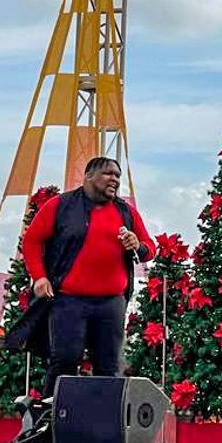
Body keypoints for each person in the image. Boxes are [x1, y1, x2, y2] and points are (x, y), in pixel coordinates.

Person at [20, 157, 156, 397]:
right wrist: (39, 277)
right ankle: (51, 415)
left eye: (117, 175)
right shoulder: (60, 205)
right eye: (108, 173)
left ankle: (105, 417)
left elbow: (150, 248)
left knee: (109, 366)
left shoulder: (126, 212)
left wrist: (138, 245)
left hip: (111, 303)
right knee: (65, 360)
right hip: (69, 300)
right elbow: (32, 240)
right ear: (88, 176)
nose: (114, 179)